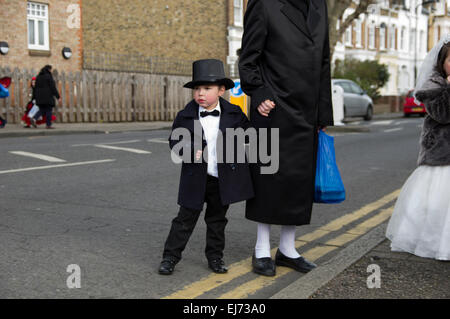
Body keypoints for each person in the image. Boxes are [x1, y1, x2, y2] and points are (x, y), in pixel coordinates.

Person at [239, 0, 334, 276]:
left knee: (298, 182)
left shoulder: (319, 5)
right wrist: (259, 94)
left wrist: (323, 115)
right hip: (272, 108)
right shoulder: (264, 4)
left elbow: (324, 62)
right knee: (268, 180)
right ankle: (261, 249)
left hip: (307, 112)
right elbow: (248, 60)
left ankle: (288, 250)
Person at [158, 59, 254, 275]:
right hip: (196, 177)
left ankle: (215, 258)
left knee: (217, 221)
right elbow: (174, 140)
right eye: (197, 89)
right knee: (185, 219)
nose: (200, 93)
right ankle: (170, 257)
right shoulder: (186, 115)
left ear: (221, 90)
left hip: (222, 178)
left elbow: (249, 136)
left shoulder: (234, 113)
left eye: (207, 88)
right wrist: (188, 150)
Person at [386, 36, 450, 261]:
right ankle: (438, 246)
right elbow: (443, 114)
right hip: (442, 155)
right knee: (437, 205)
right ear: (442, 62)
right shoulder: (433, 86)